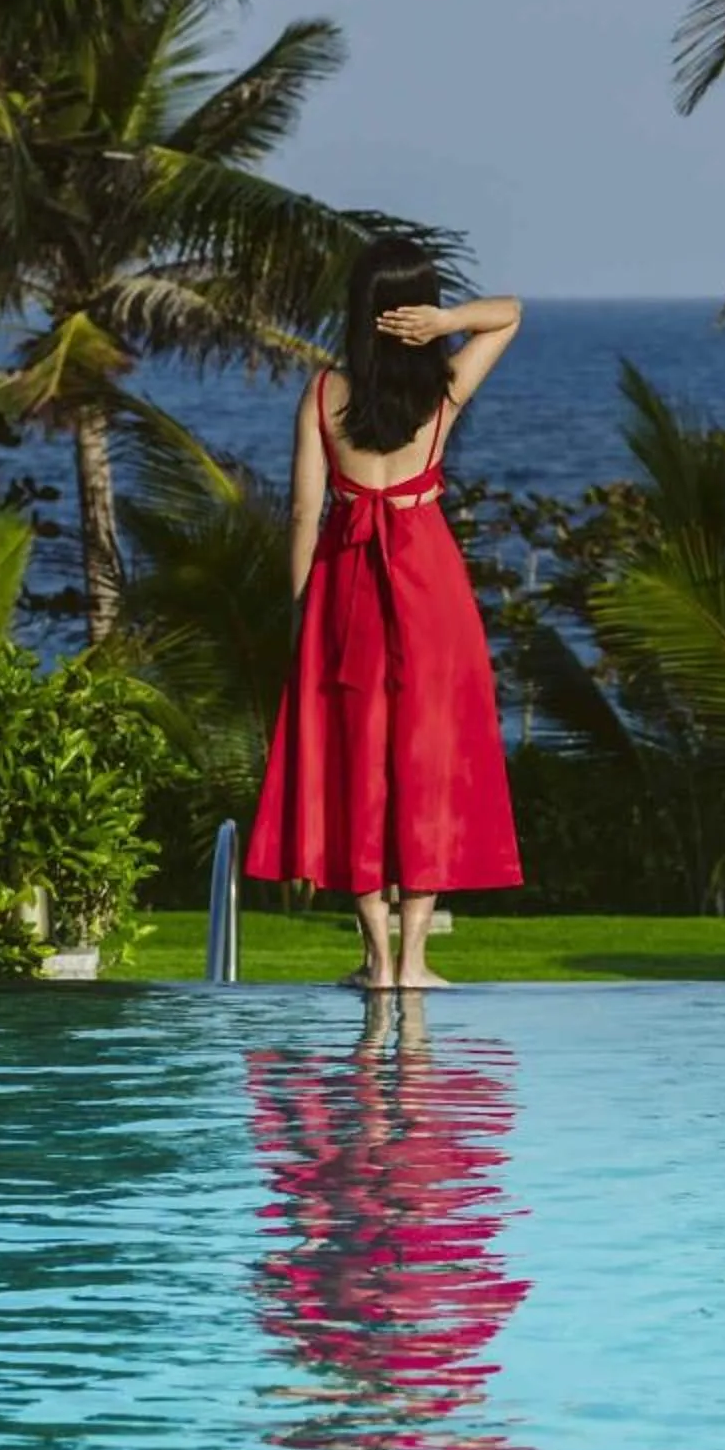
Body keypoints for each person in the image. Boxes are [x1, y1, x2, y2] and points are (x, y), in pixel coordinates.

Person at [245, 237, 524, 989]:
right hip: (428, 580)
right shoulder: (445, 389)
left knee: (356, 762)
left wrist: (301, 608)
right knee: (426, 762)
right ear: (418, 309)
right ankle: (415, 960)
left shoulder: (324, 393)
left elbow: (305, 510)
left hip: (345, 583)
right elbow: (509, 317)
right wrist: (449, 322)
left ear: (358, 310)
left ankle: (375, 960)